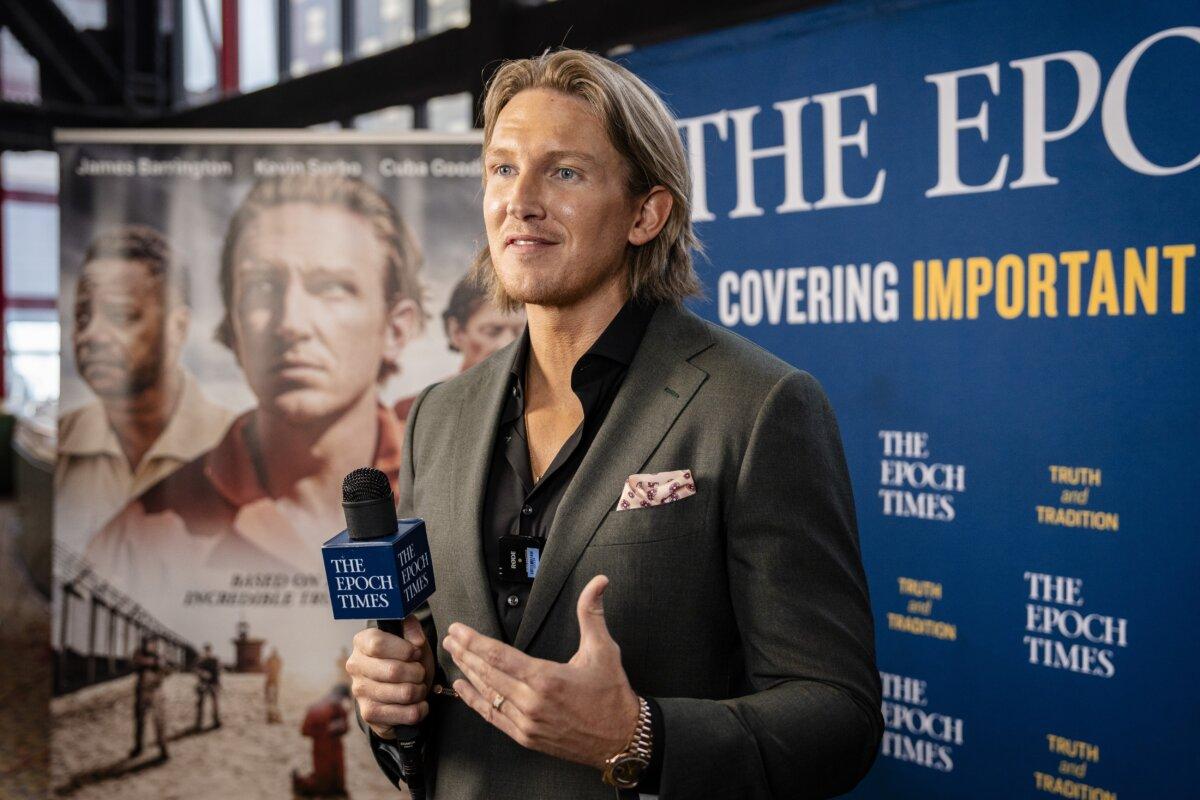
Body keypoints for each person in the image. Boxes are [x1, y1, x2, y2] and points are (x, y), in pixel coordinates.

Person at [347, 49, 881, 800]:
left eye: (564, 172)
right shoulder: (438, 415)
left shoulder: (759, 405)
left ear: (645, 213)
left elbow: (840, 717)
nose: (520, 201)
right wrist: (392, 704)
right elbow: (428, 687)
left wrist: (638, 737)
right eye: (502, 169)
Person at [85, 175, 425, 597]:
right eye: (262, 288)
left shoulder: (447, 497)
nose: (291, 324)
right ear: (233, 326)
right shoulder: (136, 539)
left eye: (333, 287)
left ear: (396, 328)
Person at [57, 225, 235, 554]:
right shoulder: (63, 440)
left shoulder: (234, 449)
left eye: (121, 315)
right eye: (82, 317)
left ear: (177, 328)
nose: (91, 335)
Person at [396, 273, 525, 423]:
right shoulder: (415, 413)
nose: (507, 344)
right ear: (456, 331)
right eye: (492, 331)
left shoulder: (540, 407)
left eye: (519, 332)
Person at [293, 685, 352, 797]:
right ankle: (300, 783)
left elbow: (345, 727)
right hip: (323, 747)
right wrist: (326, 731)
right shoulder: (320, 708)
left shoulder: (336, 707)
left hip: (333, 746)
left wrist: (337, 728)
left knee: (337, 778)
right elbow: (305, 730)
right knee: (324, 781)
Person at [130, 635, 170, 761]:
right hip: (142, 691)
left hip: (156, 692)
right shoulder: (139, 653)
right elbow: (136, 661)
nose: (151, 646)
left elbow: (165, 670)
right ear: (144, 645)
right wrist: (154, 662)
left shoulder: (158, 656)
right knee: (140, 720)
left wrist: (157, 663)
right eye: (148, 643)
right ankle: (139, 747)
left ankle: (163, 749)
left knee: (159, 722)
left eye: (152, 644)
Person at [194, 642, 221, 730]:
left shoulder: (214, 660)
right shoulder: (201, 660)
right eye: (206, 650)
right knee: (201, 704)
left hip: (213, 684)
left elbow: (217, 673)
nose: (207, 651)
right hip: (203, 684)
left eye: (208, 650)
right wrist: (202, 674)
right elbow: (197, 672)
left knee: (215, 704)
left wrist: (217, 684)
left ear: (210, 650)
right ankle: (199, 723)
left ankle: (216, 722)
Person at [264, 648, 283, 724]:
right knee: (272, 689)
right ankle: (272, 698)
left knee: (271, 689)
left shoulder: (274, 659)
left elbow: (266, 666)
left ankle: (272, 698)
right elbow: (280, 666)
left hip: (273, 677)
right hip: (273, 677)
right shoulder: (276, 659)